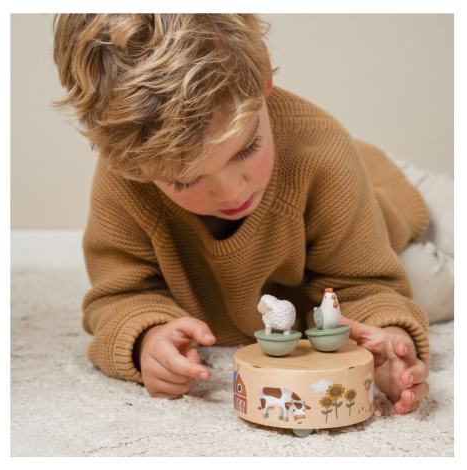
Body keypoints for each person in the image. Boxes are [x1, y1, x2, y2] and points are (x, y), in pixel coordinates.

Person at [53, 13, 431, 415]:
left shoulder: (322, 154)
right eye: (185, 180)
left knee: (432, 286)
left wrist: (389, 339)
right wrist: (147, 336)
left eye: (246, 149)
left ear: (264, 74)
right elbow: (120, 294)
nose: (232, 191)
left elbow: (365, 285)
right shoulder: (129, 172)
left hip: (382, 205)